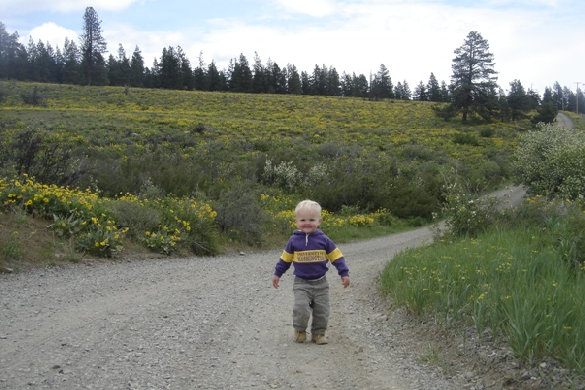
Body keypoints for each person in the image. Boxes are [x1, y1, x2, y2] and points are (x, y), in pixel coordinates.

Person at [272, 199, 350, 345]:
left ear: (319, 221)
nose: (307, 223)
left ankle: (318, 334)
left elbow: (336, 256)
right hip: (301, 283)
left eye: (311, 220)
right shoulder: (293, 240)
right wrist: (277, 274)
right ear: (296, 221)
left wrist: (344, 273)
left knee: (322, 310)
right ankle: (300, 331)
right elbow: (285, 260)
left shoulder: (324, 240)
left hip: (321, 283)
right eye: (303, 220)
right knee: (301, 308)